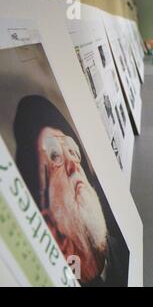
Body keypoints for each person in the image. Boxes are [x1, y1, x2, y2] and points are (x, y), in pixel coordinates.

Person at [13, 95, 129, 286]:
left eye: (72, 150)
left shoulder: (124, 250)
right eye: (54, 155)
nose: (73, 165)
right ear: (45, 210)